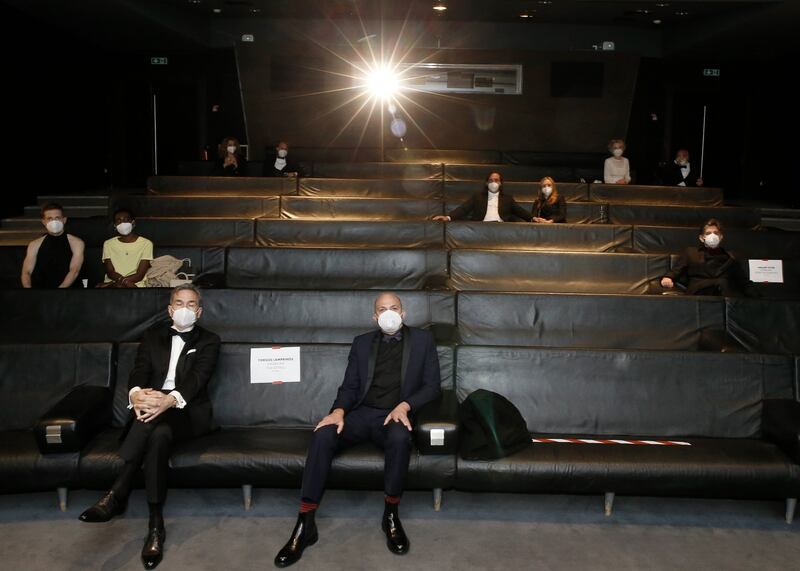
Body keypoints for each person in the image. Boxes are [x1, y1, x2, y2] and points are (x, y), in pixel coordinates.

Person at [274, 292, 442, 568]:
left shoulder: (423, 341)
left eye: (394, 308)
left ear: (404, 312)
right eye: (382, 309)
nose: (389, 313)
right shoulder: (362, 343)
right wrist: (338, 411)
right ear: (375, 316)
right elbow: (350, 386)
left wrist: (405, 405)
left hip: (394, 415)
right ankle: (305, 523)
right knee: (323, 434)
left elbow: (432, 387)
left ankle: (390, 514)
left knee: (401, 440)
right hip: (361, 414)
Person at [79, 284, 221, 570]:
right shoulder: (152, 335)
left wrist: (168, 400)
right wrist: (136, 395)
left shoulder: (210, 340)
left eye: (191, 304)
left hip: (187, 411)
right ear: (169, 309)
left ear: (199, 311)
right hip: (151, 410)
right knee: (159, 434)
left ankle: (117, 491)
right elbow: (139, 371)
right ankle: (156, 525)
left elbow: (197, 380)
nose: (184, 308)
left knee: (158, 423)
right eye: (179, 303)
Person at [660, 219, 745, 296]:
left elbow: (743, 280)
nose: (713, 236)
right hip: (699, 290)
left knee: (727, 285)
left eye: (716, 233)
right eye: (708, 233)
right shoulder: (691, 252)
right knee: (722, 283)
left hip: (723, 291)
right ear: (701, 238)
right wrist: (668, 277)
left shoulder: (731, 257)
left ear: (721, 237)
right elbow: (677, 270)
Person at [21, 202, 84, 288]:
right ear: (44, 222)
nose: (54, 221)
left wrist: (58, 292)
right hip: (40, 291)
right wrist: (28, 291)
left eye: (57, 218)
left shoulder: (77, 243)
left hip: (68, 292)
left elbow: (74, 270)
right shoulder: (34, 244)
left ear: (64, 220)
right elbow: (26, 272)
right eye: (49, 218)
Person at [432, 172, 531, 222]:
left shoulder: (508, 199)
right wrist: (448, 217)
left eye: (496, 180)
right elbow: (463, 209)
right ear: (487, 183)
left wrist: (533, 218)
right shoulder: (477, 197)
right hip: (481, 227)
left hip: (500, 226)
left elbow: (520, 211)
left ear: (500, 183)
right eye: (491, 180)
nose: (493, 183)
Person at [100, 208, 153, 288]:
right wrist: (124, 283)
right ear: (115, 226)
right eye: (118, 220)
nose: (122, 223)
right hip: (113, 285)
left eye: (126, 220)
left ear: (133, 223)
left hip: (136, 285)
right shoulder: (108, 244)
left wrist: (121, 283)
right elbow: (110, 272)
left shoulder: (146, 243)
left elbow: (140, 275)